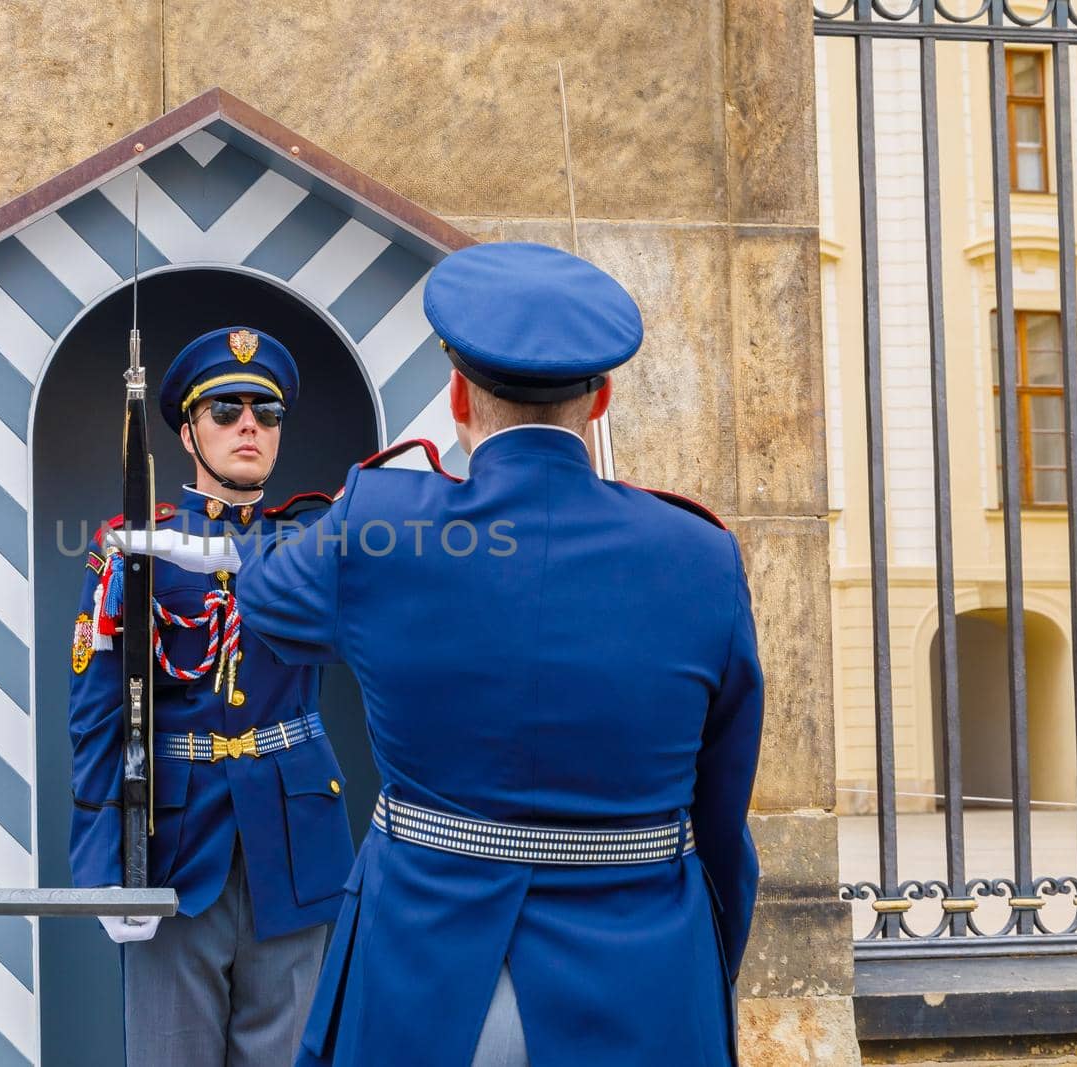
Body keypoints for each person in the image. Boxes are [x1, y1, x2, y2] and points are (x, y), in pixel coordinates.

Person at [224, 243, 765, 1065]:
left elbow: (261, 598)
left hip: (422, 978)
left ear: (456, 395)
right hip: (647, 984)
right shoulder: (701, 556)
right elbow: (722, 818)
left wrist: (341, 522)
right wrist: (704, 964)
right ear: (603, 399)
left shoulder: (383, 526)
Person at [67, 326, 356, 1066]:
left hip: (291, 844)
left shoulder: (314, 538)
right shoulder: (133, 548)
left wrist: (222, 553)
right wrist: (106, 866)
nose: (249, 425)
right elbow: (101, 716)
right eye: (225, 410)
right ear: (189, 432)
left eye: (266, 411)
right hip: (173, 845)